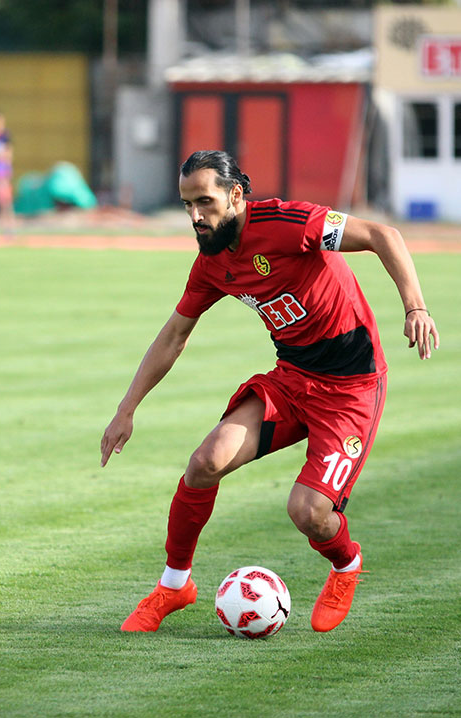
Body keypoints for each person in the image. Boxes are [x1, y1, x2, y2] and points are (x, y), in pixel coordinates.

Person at [100, 150, 439, 634]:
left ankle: (346, 565)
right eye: (187, 205)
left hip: (351, 389)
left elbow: (384, 235)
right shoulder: (212, 262)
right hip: (292, 378)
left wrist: (415, 307)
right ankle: (175, 585)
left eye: (205, 202)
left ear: (236, 194)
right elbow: (174, 334)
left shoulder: (287, 222)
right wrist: (126, 409)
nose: (196, 216)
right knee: (204, 463)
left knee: (308, 513)